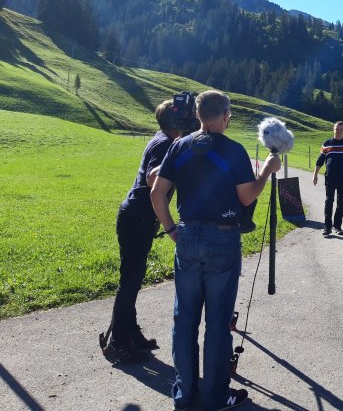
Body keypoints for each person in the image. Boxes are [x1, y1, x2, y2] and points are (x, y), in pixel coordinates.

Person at [151, 90, 281, 411]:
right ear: (225, 116)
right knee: (218, 321)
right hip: (223, 240)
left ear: (198, 115)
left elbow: (157, 191)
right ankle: (214, 396)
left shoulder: (179, 147)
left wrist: (170, 229)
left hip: (188, 236)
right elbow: (247, 196)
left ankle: (184, 394)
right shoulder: (234, 151)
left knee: (185, 319)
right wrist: (266, 170)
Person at [103, 99, 181, 364]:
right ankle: (117, 343)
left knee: (133, 280)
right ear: (176, 122)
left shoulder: (163, 138)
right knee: (130, 282)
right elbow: (152, 178)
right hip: (136, 219)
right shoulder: (165, 144)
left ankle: (130, 333)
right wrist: (176, 158)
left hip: (137, 218)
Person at [312, 121, 343, 236]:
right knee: (329, 201)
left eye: (341, 129)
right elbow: (320, 161)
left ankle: (338, 226)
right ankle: (327, 227)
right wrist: (315, 175)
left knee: (341, 202)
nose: (338, 131)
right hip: (330, 178)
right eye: (336, 129)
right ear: (333, 129)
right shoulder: (327, 144)